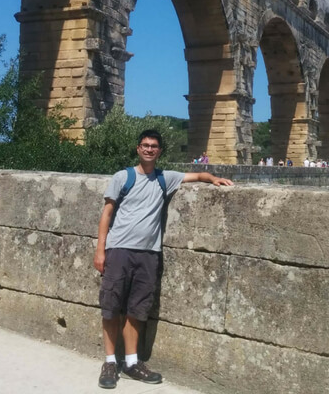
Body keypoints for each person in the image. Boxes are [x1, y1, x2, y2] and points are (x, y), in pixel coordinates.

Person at [94, 129, 233, 389]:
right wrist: (100, 250)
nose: (149, 149)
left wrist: (212, 178)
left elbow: (198, 175)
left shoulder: (165, 178)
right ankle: (110, 362)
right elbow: (107, 213)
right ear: (138, 148)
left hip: (149, 253)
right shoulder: (122, 177)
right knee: (111, 307)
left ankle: (132, 362)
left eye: (154, 146)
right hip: (119, 250)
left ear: (159, 151)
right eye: (145, 145)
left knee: (137, 310)